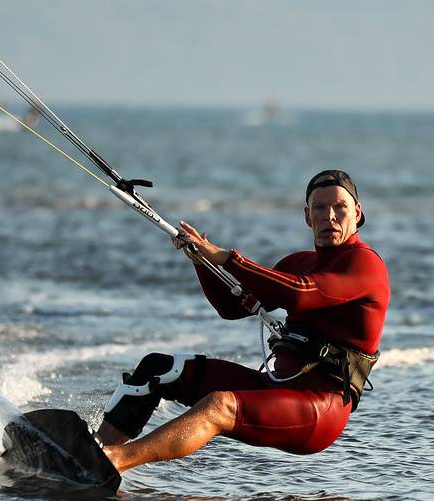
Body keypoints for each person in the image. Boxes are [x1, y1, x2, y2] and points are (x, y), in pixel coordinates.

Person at [96, 169, 390, 474]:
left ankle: (113, 461)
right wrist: (203, 263)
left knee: (218, 406)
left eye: (340, 207)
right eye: (319, 207)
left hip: (320, 407)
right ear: (307, 216)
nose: (330, 216)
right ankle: (94, 449)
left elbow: (302, 294)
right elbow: (231, 307)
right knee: (159, 368)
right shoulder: (299, 262)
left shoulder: (365, 264)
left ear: (356, 212)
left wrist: (227, 258)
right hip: (275, 389)